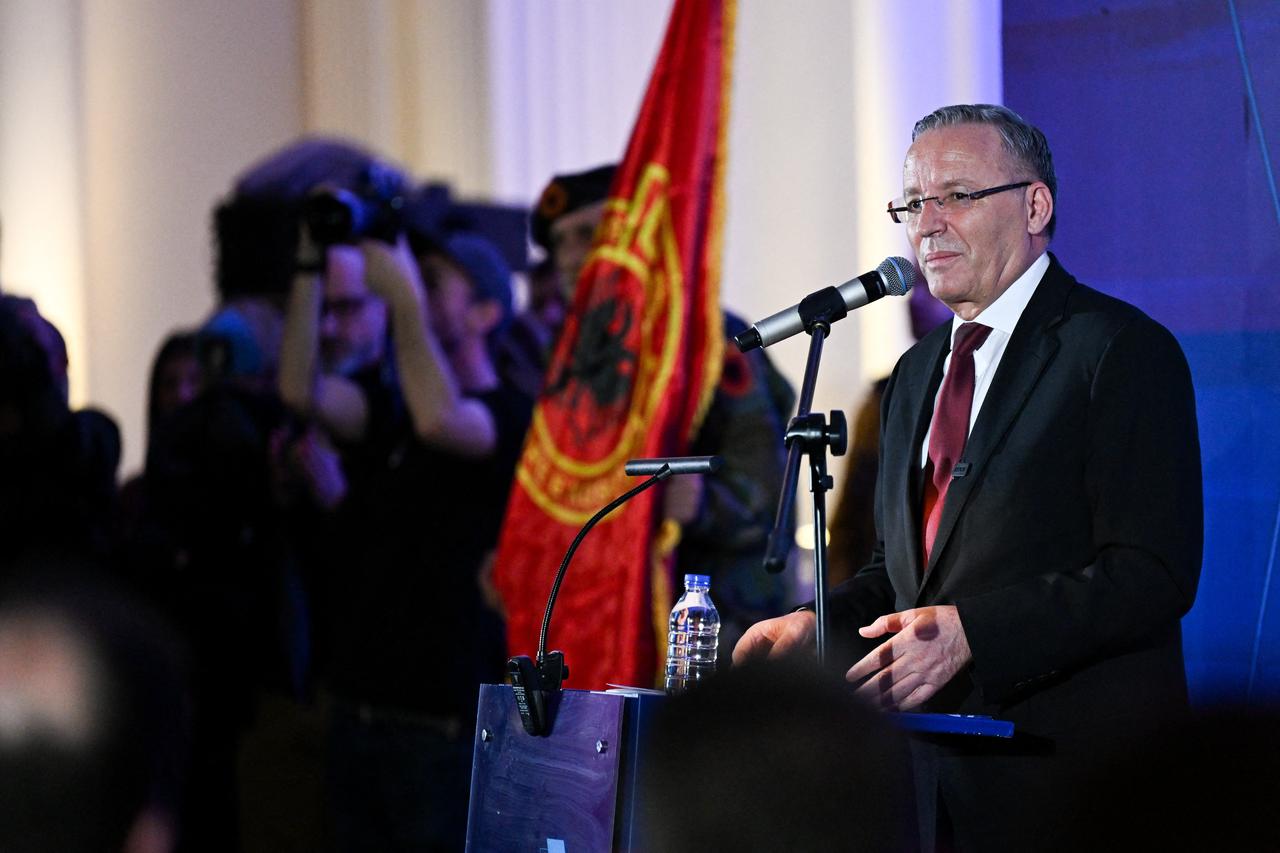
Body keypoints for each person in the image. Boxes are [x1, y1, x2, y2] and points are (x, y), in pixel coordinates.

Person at [733, 104, 1202, 851]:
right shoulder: (915, 373)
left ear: (1035, 206)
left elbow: (1152, 573)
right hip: (929, 789)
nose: (927, 224)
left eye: (956, 195)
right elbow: (900, 572)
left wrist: (973, 635)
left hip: (1075, 783)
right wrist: (817, 623)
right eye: (913, 204)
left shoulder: (1117, 350)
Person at [523, 165, 795, 656]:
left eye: (587, 234)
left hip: (710, 624)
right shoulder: (566, 358)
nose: (570, 258)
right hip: (606, 620)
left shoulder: (706, 342)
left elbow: (769, 493)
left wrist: (701, 502)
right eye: (559, 243)